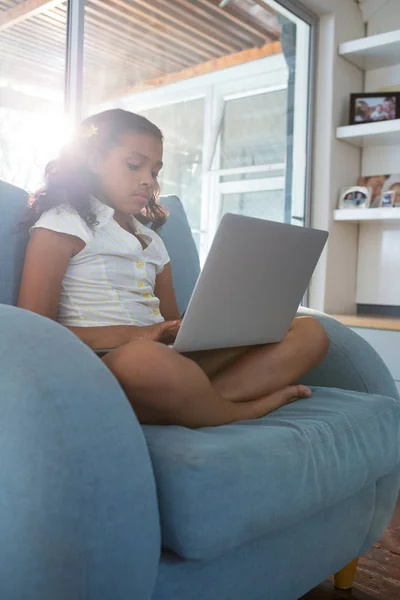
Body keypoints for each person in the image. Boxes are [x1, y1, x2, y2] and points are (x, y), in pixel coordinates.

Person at [18, 109, 329, 429]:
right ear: (94, 161)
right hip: (111, 364)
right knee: (145, 360)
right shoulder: (63, 223)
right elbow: (33, 331)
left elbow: (171, 324)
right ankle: (240, 410)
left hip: (168, 362)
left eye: (155, 170)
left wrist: (214, 327)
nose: (148, 180)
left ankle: (201, 403)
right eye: (134, 165)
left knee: (310, 332)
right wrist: (139, 336)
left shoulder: (152, 240)